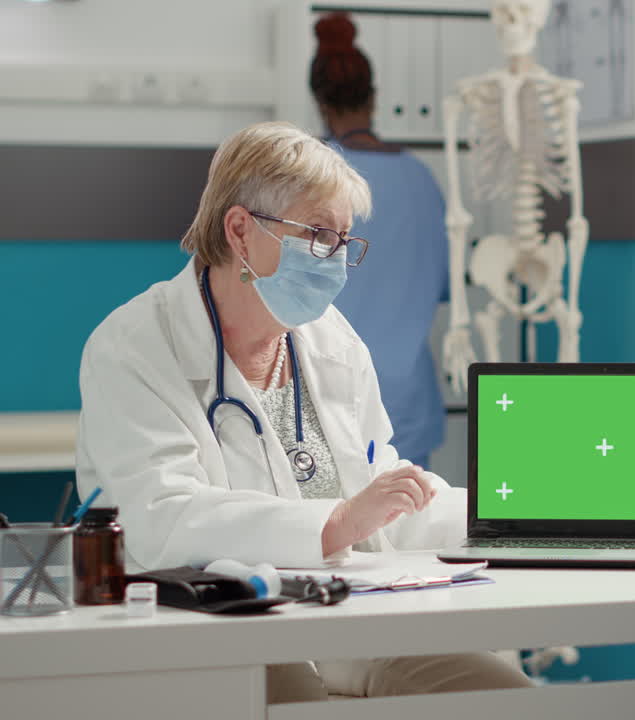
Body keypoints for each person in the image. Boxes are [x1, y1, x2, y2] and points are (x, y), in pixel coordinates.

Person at [75, 121, 531, 701]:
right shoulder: (136, 345)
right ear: (240, 230)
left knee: (509, 697)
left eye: (343, 240)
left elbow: (382, 496)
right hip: (217, 628)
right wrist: (335, 522)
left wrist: (507, 517)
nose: (335, 260)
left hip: (346, 616)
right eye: (317, 234)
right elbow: (160, 519)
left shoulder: (329, 340)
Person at [310, 12, 451, 469]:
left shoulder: (313, 177)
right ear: (373, 99)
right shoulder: (421, 179)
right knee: (409, 526)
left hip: (326, 392)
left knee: (330, 529)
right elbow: (444, 285)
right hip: (407, 395)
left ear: (319, 102)